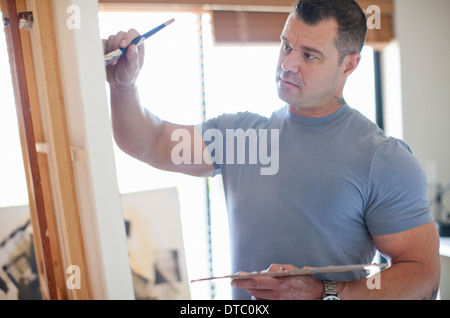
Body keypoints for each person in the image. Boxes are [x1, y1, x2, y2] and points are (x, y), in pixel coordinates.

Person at [104, 0, 440, 300]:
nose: (288, 64)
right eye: (285, 46)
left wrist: (328, 294)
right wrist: (123, 86)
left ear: (349, 66)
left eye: (309, 55)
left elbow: (424, 276)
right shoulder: (242, 136)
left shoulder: (382, 158)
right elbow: (150, 142)